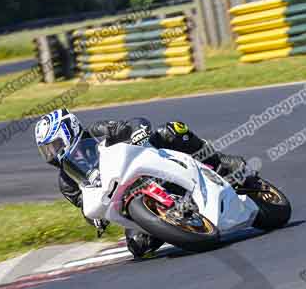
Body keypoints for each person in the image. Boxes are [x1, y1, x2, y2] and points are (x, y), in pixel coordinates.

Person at [35, 109, 251, 258]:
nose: (52, 153)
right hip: (125, 197)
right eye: (47, 150)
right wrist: (95, 220)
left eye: (53, 145)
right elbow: (83, 204)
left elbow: (132, 124)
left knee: (171, 130)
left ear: (68, 131)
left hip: (146, 159)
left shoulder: (96, 131)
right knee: (138, 247)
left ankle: (219, 162)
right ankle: (177, 223)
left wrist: (138, 131)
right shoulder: (66, 180)